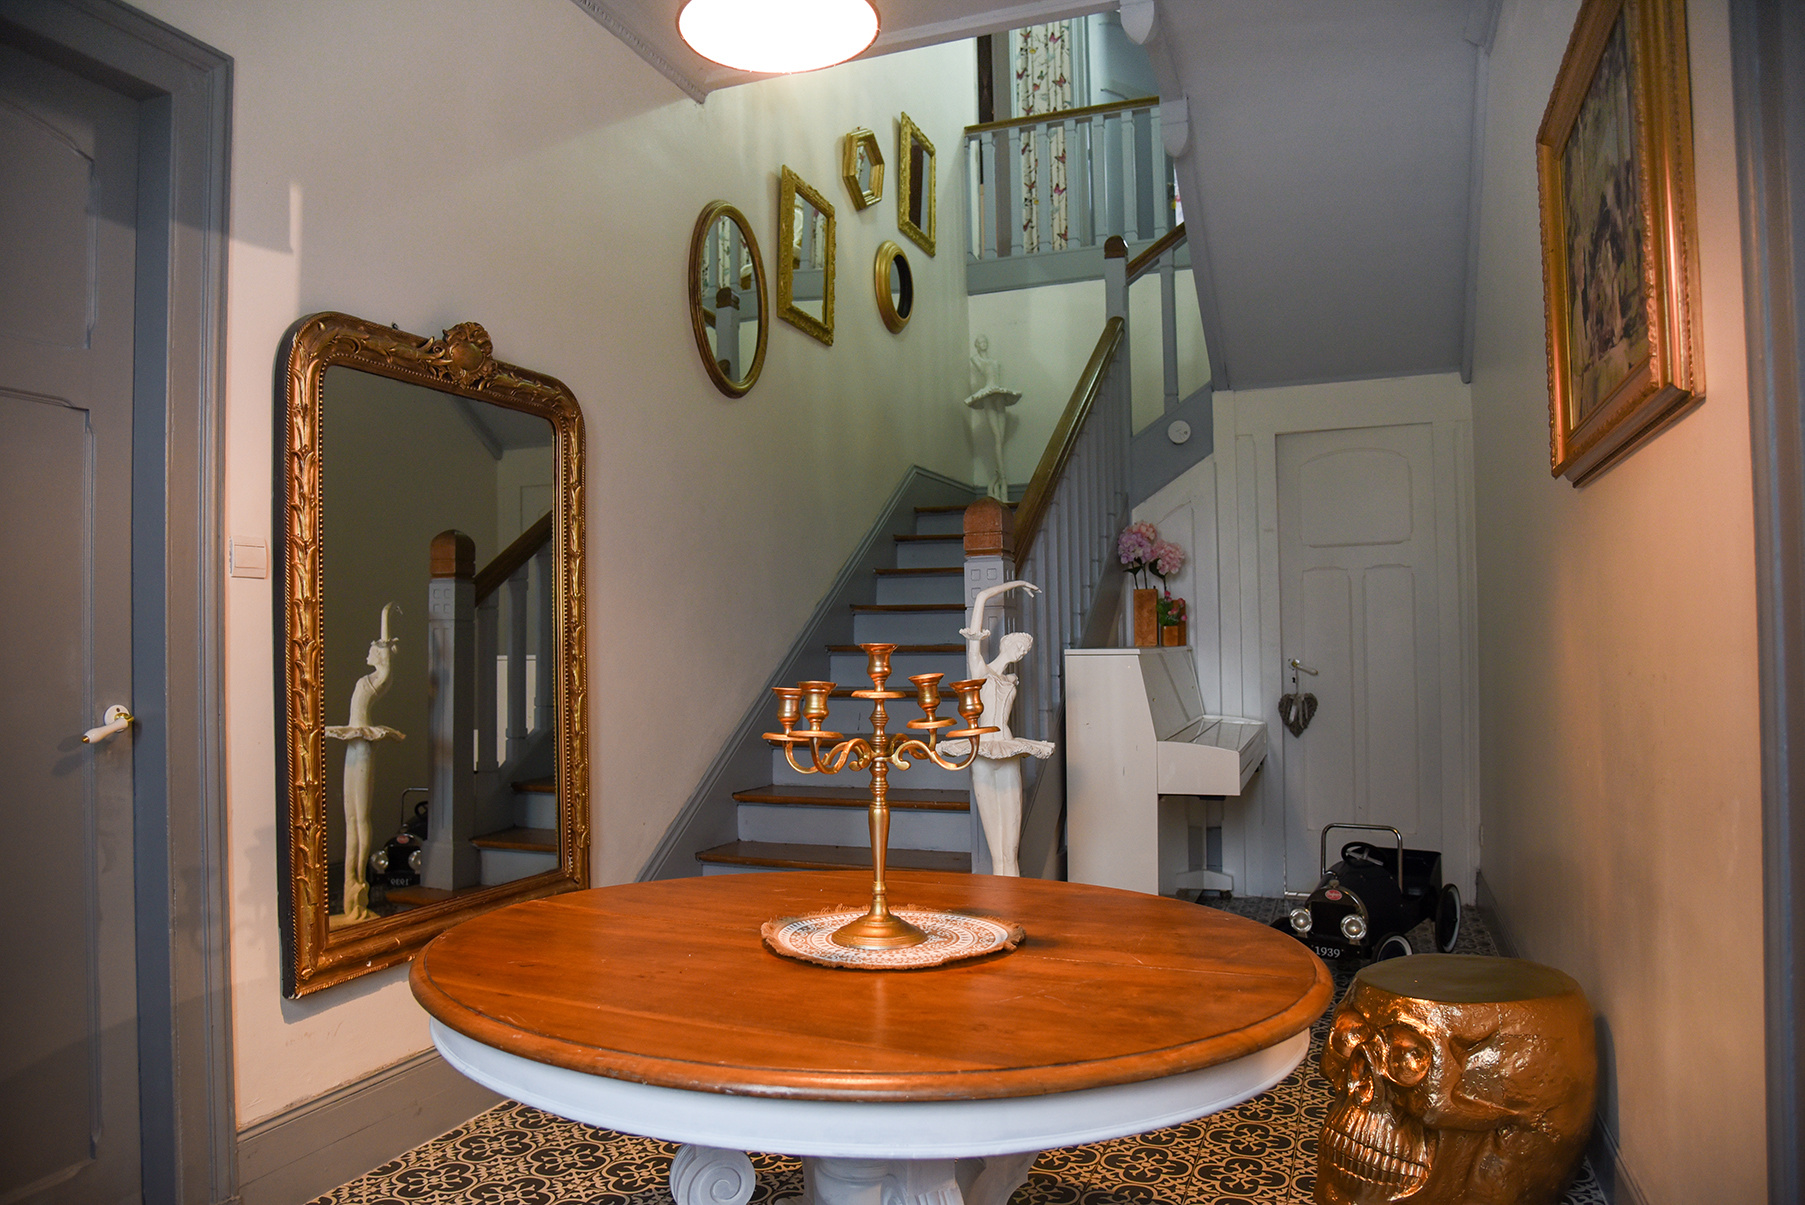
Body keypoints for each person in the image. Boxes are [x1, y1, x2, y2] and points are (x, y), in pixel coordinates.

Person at [942, 580, 1053, 875]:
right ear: (1006, 644)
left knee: (1010, 850)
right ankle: (999, 896)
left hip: (1007, 747)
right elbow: (980, 598)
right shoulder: (980, 670)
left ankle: (1014, 895)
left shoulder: (1010, 680)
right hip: (982, 749)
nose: (1021, 652)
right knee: (996, 851)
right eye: (1019, 646)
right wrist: (1016, 583)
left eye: (1025, 650)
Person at [325, 603, 404, 922]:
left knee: (359, 818)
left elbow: (386, 667)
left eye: (374, 650)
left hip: (362, 746)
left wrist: (385, 621)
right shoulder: (365, 680)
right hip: (353, 742)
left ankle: (357, 881)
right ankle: (352, 888)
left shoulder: (375, 679)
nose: (368, 654)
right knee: (351, 817)